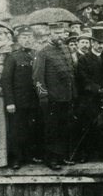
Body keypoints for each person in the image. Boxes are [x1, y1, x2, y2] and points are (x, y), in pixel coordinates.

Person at [33, 22, 76, 170]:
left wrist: (73, 94)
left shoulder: (65, 49)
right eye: (56, 33)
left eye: (61, 33)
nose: (59, 36)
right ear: (49, 34)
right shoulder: (42, 52)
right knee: (52, 129)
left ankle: (62, 156)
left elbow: (70, 73)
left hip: (66, 97)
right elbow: (38, 78)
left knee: (64, 128)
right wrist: (43, 97)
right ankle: (50, 159)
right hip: (52, 99)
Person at [1, 26, 41, 170]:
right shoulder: (13, 57)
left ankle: (29, 156)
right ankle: (16, 159)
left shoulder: (37, 55)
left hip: (34, 100)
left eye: (30, 37)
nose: (27, 39)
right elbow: (6, 80)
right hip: (18, 101)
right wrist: (10, 102)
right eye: (24, 37)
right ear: (18, 40)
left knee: (32, 128)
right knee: (17, 130)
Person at [76, 27, 103, 162]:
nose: (101, 46)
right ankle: (86, 154)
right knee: (89, 125)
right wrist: (97, 90)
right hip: (90, 97)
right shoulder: (84, 60)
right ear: (92, 43)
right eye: (98, 43)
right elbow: (83, 78)